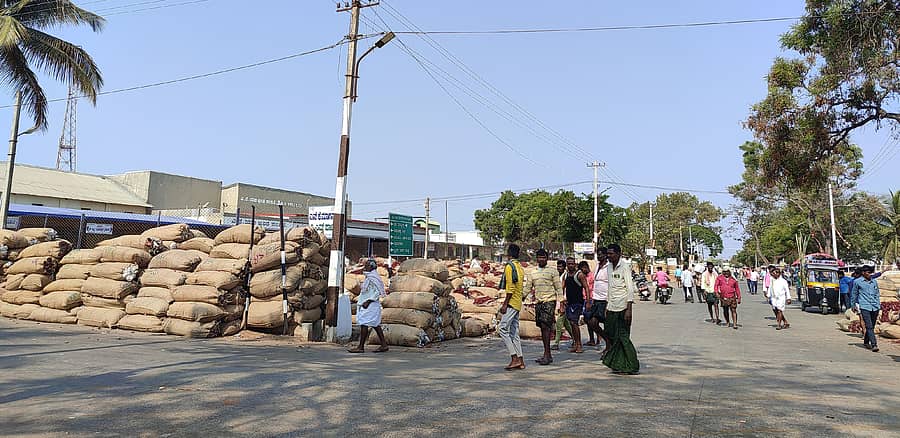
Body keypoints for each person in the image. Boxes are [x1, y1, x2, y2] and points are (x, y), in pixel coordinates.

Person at [601, 244, 640, 375]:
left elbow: (630, 289)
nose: (609, 256)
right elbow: (610, 288)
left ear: (618, 254)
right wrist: (607, 305)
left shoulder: (625, 267)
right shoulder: (608, 267)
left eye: (611, 254)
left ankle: (632, 365)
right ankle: (618, 362)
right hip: (612, 306)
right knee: (611, 334)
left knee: (623, 336)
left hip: (623, 307)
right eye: (608, 254)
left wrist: (629, 309)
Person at [526, 248, 563, 365]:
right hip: (539, 302)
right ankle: (547, 354)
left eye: (544, 257)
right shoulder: (533, 272)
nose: (541, 260)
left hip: (549, 301)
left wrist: (561, 303)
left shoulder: (553, 272)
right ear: (536, 259)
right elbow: (528, 287)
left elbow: (559, 288)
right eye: (539, 257)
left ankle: (547, 355)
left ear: (547, 259)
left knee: (545, 326)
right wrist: (521, 297)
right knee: (542, 328)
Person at [348, 259, 389, 353]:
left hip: (370, 304)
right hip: (367, 303)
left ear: (371, 267)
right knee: (375, 324)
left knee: (364, 324)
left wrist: (369, 301)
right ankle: (384, 345)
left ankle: (361, 347)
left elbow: (377, 292)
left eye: (366, 265)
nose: (365, 267)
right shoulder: (370, 277)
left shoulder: (373, 278)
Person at [497, 244, 526, 370]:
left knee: (502, 329)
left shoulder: (510, 266)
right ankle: (521, 360)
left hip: (512, 302)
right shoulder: (520, 267)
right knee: (514, 332)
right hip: (518, 301)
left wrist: (505, 304)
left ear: (508, 253)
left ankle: (514, 357)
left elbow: (510, 287)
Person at [586, 247, 611, 357]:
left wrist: (609, 302)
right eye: (598, 255)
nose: (599, 256)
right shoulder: (597, 266)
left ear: (606, 255)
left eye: (601, 255)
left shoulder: (609, 267)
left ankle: (609, 346)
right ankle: (607, 341)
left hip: (605, 300)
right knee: (592, 322)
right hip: (596, 299)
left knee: (607, 324)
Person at [851, 266, 881, 352]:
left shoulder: (874, 282)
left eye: (870, 272)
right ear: (863, 273)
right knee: (869, 325)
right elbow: (854, 294)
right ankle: (874, 344)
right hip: (864, 306)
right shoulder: (857, 282)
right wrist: (853, 305)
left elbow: (877, 293)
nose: (870, 274)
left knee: (872, 325)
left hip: (875, 306)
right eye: (868, 272)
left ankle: (866, 341)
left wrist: (878, 304)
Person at [561, 257, 588, 353]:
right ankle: (576, 343)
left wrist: (588, 301)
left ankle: (579, 344)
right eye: (569, 264)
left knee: (574, 323)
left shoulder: (579, 275)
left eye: (572, 264)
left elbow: (586, 287)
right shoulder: (566, 275)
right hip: (569, 302)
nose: (570, 266)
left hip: (577, 303)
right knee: (572, 323)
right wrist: (561, 301)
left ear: (575, 264)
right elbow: (562, 287)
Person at [552, 259, 575, 351]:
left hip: (564, 301)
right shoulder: (557, 276)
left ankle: (556, 343)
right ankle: (575, 338)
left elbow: (565, 289)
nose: (559, 268)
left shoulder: (566, 276)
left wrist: (563, 301)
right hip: (558, 300)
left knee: (559, 323)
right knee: (566, 323)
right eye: (558, 266)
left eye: (561, 266)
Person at [579, 261, 598, 346]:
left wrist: (590, 300)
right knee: (587, 320)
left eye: (585, 267)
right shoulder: (581, 276)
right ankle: (591, 339)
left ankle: (599, 335)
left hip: (590, 299)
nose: (584, 269)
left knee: (591, 320)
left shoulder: (592, 276)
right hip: (583, 298)